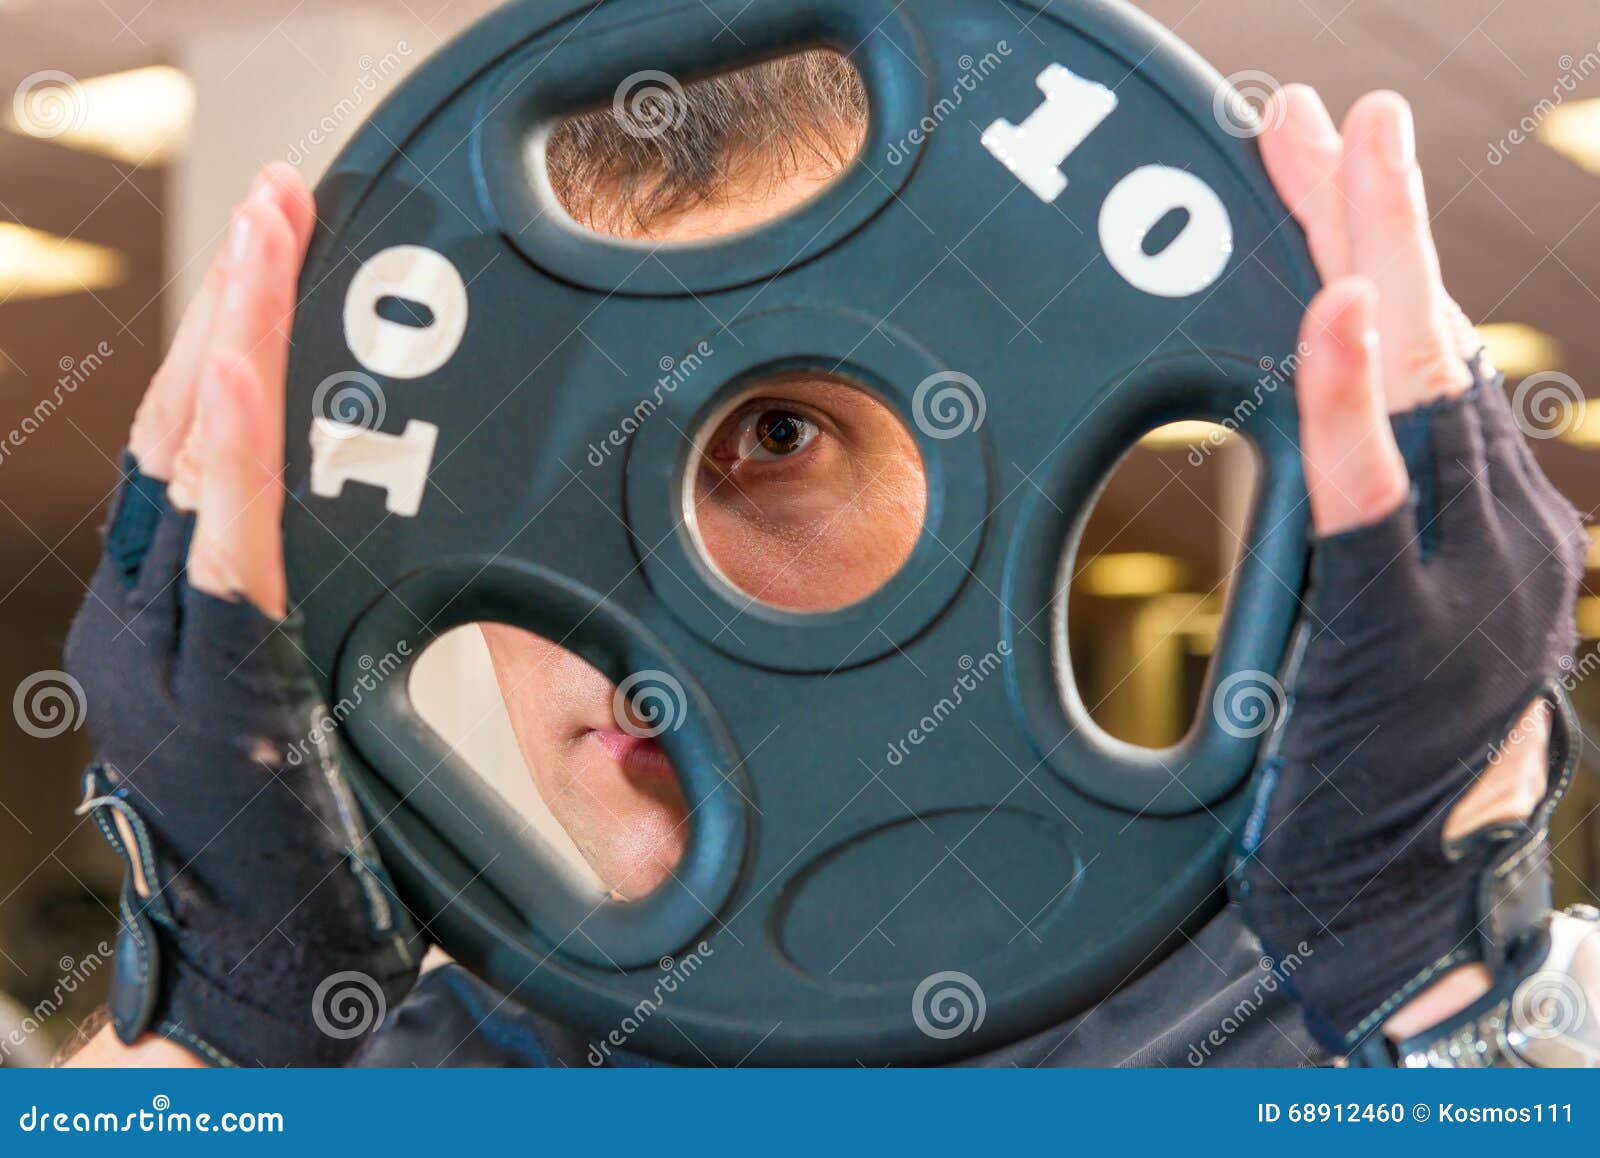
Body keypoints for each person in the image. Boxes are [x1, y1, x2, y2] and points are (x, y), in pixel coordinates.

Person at [58, 54, 1590, 1068]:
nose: (633, 583)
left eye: (771, 435)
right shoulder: (393, 1081)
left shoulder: (1335, 1033)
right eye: (533, 471)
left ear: (1009, 482)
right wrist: (206, 1025)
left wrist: (1444, 977)